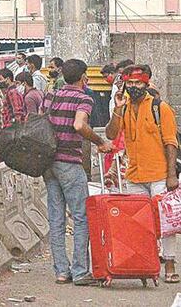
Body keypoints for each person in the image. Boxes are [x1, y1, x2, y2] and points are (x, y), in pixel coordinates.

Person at [106, 64, 180, 283]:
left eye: (138, 83)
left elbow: (170, 142)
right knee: (140, 224)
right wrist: (117, 108)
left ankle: (169, 263)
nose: (134, 87)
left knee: (165, 222)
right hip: (134, 176)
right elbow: (111, 134)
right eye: (130, 83)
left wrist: (171, 175)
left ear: (146, 84)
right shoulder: (124, 106)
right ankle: (147, 263)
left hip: (159, 174)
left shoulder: (160, 107)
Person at [43, 59, 112, 286]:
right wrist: (100, 141)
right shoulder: (83, 98)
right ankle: (81, 271)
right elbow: (79, 125)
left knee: (56, 219)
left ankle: (61, 271)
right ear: (84, 77)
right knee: (81, 217)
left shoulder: (52, 96)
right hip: (70, 163)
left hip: (49, 163)